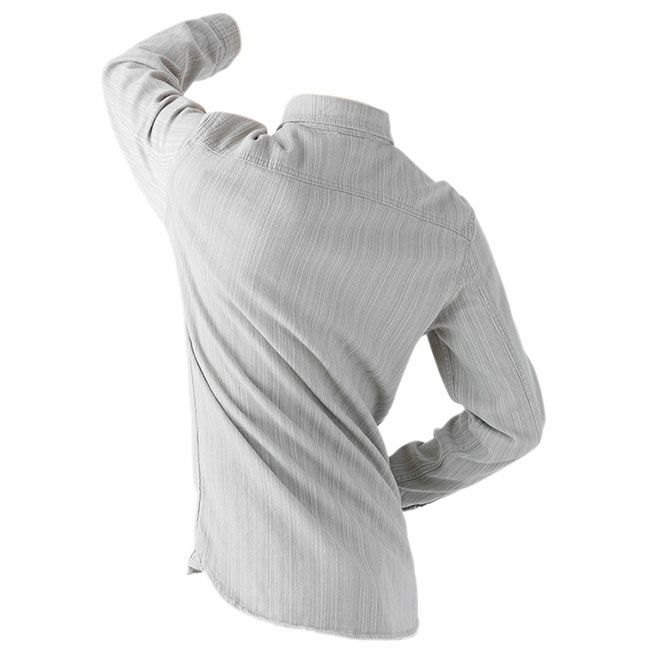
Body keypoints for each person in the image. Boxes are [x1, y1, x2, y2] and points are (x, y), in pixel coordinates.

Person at [102, 12, 545, 640]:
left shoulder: (212, 168)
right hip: (381, 597)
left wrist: (227, 30)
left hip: (258, 596)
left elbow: (130, 75)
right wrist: (387, 484)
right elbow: (513, 421)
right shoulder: (446, 222)